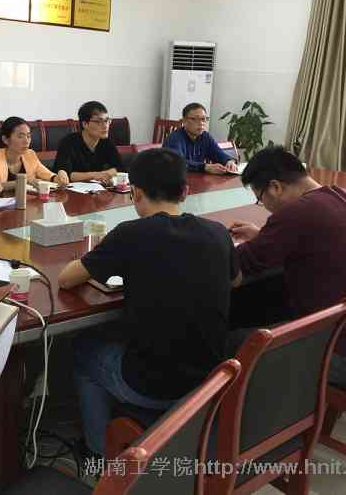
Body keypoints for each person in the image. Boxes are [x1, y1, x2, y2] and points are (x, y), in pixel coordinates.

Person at [58, 148, 240, 456]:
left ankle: (98, 451)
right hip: (207, 379)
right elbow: (235, 280)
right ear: (185, 191)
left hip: (149, 384)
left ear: (136, 193)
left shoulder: (130, 234)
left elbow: (66, 279)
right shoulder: (218, 233)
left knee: (83, 348)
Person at [230, 147, 346, 386]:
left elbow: (238, 264)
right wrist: (265, 236)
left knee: (235, 343)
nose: (264, 205)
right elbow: (309, 236)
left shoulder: (296, 214)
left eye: (260, 199)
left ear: (275, 187)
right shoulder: (343, 196)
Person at [0, 117, 69, 194]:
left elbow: (47, 174)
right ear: (5, 139)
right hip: (2, 204)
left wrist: (59, 177)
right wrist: (24, 182)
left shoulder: (30, 154)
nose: (26, 141)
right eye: (20, 137)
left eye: (28, 136)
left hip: (28, 202)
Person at [53, 101, 124, 184]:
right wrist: (95, 175)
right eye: (98, 122)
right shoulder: (68, 142)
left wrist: (103, 174)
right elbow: (66, 174)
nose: (105, 126)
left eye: (107, 120)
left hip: (98, 189)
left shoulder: (106, 142)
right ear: (85, 124)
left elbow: (120, 168)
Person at [163, 102, 238, 174]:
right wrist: (205, 167)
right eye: (195, 119)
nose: (201, 123)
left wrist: (229, 161)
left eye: (203, 119)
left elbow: (219, 154)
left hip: (198, 179)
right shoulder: (174, 138)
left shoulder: (205, 137)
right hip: (178, 180)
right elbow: (177, 163)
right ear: (184, 121)